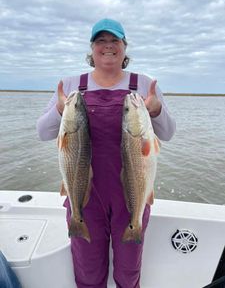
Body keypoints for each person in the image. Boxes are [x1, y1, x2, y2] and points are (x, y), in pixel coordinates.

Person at [37, 18, 176, 288]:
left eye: (115, 41)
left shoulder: (144, 84)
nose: (108, 46)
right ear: (91, 48)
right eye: (101, 41)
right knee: (87, 270)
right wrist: (59, 109)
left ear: (125, 47)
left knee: (129, 269)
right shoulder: (71, 84)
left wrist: (156, 110)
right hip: (84, 194)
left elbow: (168, 133)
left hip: (131, 194)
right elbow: (43, 133)